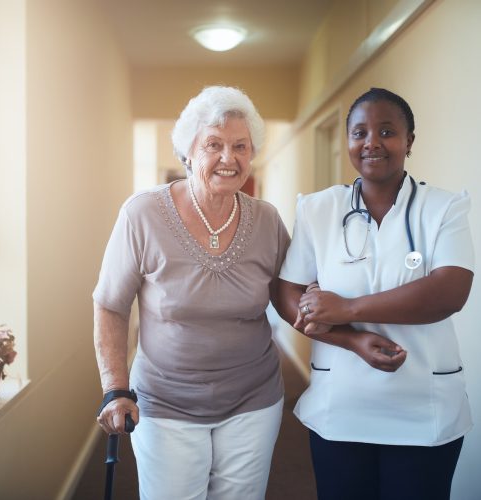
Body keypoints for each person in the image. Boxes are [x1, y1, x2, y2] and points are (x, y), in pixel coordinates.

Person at [93, 86, 290, 500]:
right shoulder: (142, 214)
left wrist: (340, 316)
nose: (228, 158)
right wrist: (115, 387)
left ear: (252, 154)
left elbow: (288, 294)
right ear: (188, 153)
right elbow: (112, 304)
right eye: (213, 145)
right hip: (165, 402)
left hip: (253, 398)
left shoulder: (267, 220)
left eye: (240, 146)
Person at [277, 88, 474, 500]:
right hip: (341, 409)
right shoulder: (319, 209)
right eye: (359, 132)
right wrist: (351, 339)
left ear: (409, 141)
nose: (371, 142)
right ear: (347, 141)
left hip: (425, 411)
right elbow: (287, 293)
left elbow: (449, 291)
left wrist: (345, 307)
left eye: (387, 131)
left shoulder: (443, 209)